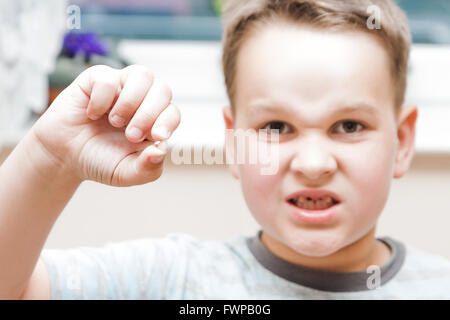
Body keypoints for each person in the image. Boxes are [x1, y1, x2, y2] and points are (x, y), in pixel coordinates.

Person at [1, 0, 449, 300]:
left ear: (403, 141)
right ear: (233, 144)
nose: (313, 165)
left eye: (349, 126)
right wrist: (49, 159)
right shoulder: (173, 281)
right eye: (276, 127)